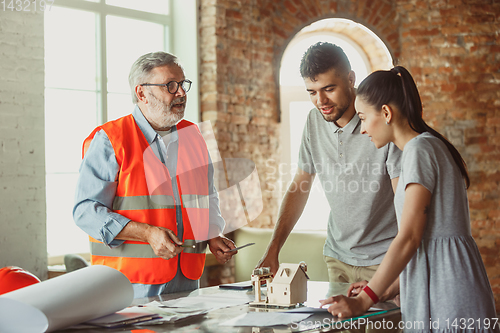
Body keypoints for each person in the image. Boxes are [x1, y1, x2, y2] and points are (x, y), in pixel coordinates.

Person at [320, 66, 499, 331]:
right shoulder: (427, 147)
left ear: (386, 113)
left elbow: (410, 237)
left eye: (363, 118)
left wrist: (362, 303)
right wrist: (381, 289)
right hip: (440, 281)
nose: (363, 130)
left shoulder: (419, 150)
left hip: (448, 290)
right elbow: (425, 242)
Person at [73, 51, 236, 298]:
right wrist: (147, 233)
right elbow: (85, 211)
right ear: (141, 93)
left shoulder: (193, 136)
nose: (181, 93)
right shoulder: (110, 140)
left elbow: (206, 198)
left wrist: (213, 233)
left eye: (183, 84)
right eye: (170, 86)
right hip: (129, 287)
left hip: (188, 284)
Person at [257, 42, 402, 288]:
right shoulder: (314, 121)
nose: (320, 100)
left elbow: (405, 200)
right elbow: (300, 185)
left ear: (351, 79)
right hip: (337, 258)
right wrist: (273, 249)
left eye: (329, 88)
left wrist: (405, 263)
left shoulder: (382, 120)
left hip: (385, 260)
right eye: (312, 92)